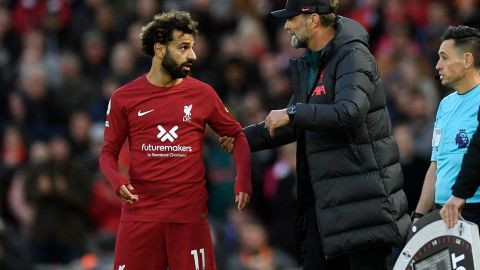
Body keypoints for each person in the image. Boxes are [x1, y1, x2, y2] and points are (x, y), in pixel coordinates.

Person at [220, 0, 409, 269]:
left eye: (291, 18)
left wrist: (293, 113)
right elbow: (295, 123)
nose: (285, 26)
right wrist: (239, 138)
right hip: (328, 207)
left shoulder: (353, 55)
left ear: (314, 19)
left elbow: (349, 112)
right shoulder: (314, 63)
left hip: (364, 207)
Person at [99, 11, 252, 270]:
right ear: (159, 49)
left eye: (192, 47)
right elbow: (108, 152)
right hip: (141, 215)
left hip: (189, 217)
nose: (192, 55)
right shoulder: (124, 97)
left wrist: (243, 179)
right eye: (183, 47)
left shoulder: (203, 94)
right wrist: (117, 181)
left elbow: (236, 135)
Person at [414, 25, 480, 229]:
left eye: (444, 57)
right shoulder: (445, 105)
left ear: (468, 60)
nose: (437, 65)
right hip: (443, 211)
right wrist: (419, 216)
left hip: (474, 209)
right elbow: (436, 164)